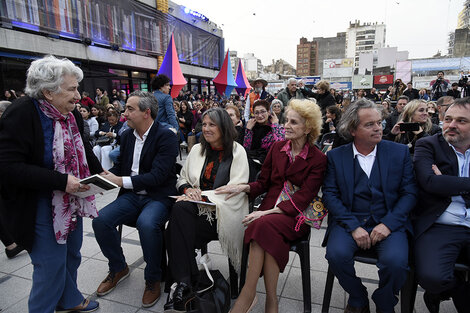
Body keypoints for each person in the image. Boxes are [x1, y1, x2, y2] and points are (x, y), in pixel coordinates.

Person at [0, 55, 102, 312]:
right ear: (47, 92)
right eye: (72, 89)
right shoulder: (22, 113)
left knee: (72, 255)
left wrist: (103, 173)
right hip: (38, 203)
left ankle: (69, 300)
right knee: (50, 266)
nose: (79, 96)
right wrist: (60, 181)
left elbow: (84, 148)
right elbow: (8, 167)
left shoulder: (71, 113)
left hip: (71, 200)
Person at [217, 99, 327, 313]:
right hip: (269, 215)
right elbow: (263, 183)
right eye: (286, 120)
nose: (286, 125)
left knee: (260, 225)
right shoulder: (277, 148)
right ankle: (271, 301)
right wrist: (242, 188)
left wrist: (264, 213)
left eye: (294, 122)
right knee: (264, 229)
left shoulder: (318, 159)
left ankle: (248, 295)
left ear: (308, 128)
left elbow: (304, 198)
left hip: (296, 216)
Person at [322, 99, 417, 313]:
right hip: (350, 221)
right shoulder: (337, 156)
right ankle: (358, 297)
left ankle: (385, 302)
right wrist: (353, 226)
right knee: (335, 255)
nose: (378, 128)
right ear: (353, 129)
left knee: (396, 262)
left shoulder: (398, 152)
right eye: (370, 124)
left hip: (389, 220)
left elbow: (410, 193)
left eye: (379, 122)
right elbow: (330, 195)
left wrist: (389, 224)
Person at [92, 91, 178, 308]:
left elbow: (158, 176)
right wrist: (103, 178)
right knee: (100, 220)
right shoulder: (127, 135)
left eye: (130, 109)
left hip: (158, 196)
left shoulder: (166, 136)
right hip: (132, 196)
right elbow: (122, 168)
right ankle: (119, 267)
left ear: (146, 113)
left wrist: (121, 181)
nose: (124, 113)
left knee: (147, 224)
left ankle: (153, 278)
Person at [164, 108, 249, 311]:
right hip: (194, 213)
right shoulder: (197, 150)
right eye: (204, 124)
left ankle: (184, 281)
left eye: (212, 125)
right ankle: (186, 281)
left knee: (175, 222)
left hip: (222, 216)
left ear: (224, 128)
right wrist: (188, 189)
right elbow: (183, 178)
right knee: (180, 213)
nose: (207, 129)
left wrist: (200, 195)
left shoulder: (238, 152)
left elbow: (234, 190)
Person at [413, 98, 470, 313]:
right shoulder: (428, 144)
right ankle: (450, 290)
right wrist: (439, 183)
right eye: (448, 119)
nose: (451, 125)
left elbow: (439, 184)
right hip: (441, 223)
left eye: (461, 121)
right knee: (432, 277)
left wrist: (447, 183)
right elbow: (429, 182)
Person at [243, 100, 285, 180]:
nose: (260, 115)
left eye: (263, 112)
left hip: (268, 165)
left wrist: (275, 125)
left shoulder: (276, 128)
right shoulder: (251, 126)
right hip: (250, 161)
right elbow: (246, 147)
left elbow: (280, 144)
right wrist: (248, 130)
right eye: (256, 113)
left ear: (269, 112)